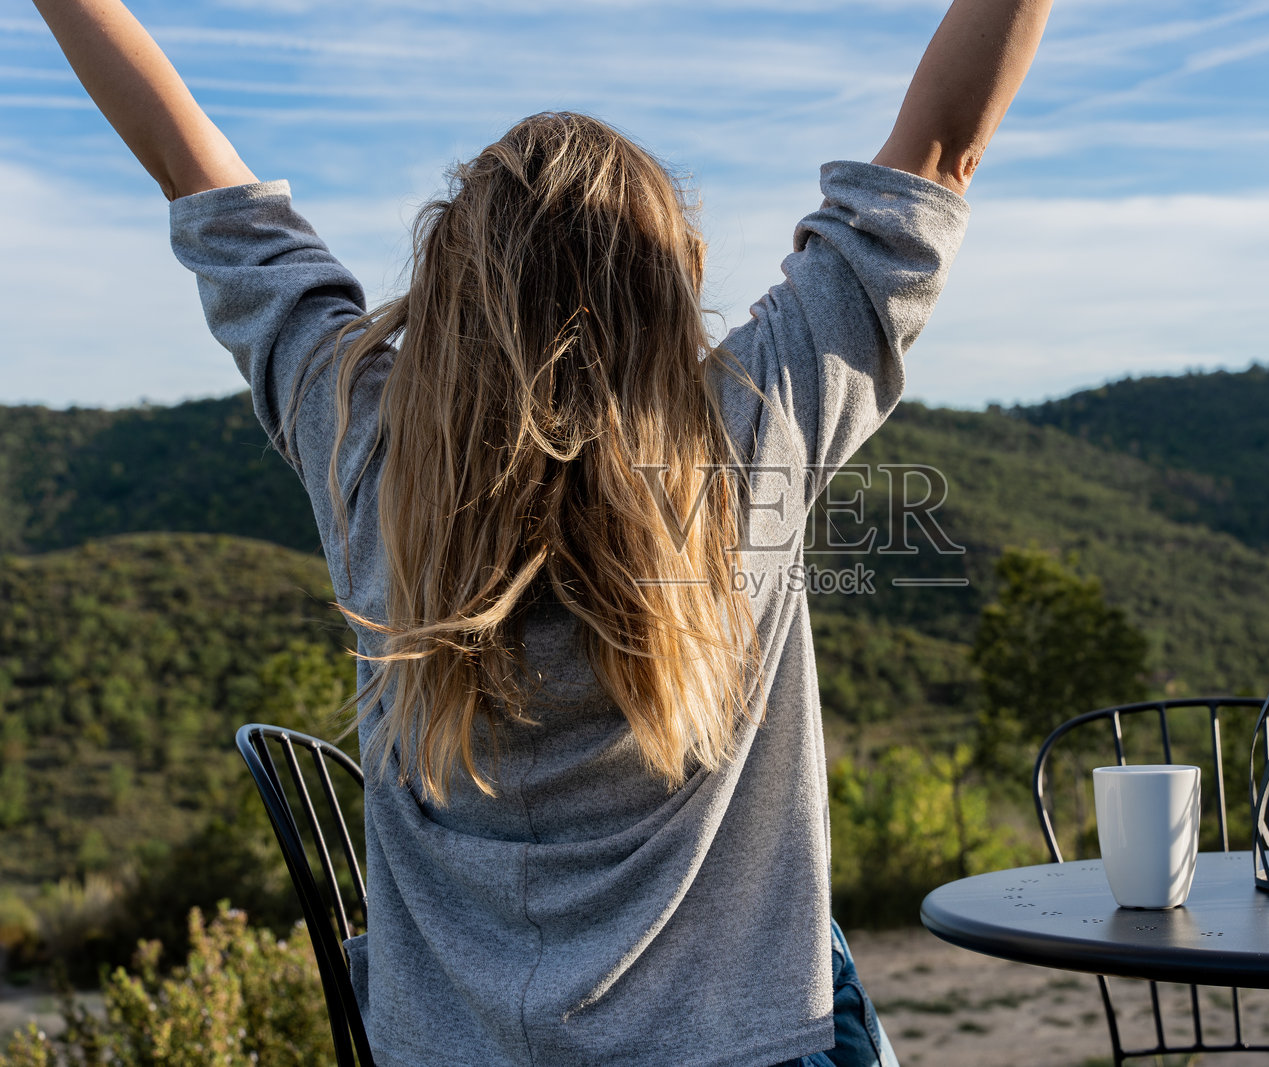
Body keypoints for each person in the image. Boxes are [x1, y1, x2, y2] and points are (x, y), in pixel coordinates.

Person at [32, 1, 1051, 1063]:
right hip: (738, 1047)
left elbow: (191, 171)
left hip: (446, 1047)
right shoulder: (755, 423)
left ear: (449, 286)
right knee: (825, 962)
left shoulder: (363, 437)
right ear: (668, 287)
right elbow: (943, 146)